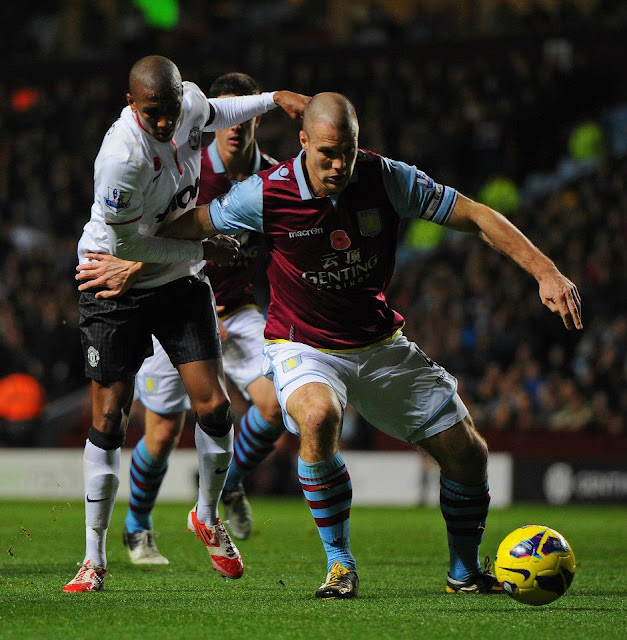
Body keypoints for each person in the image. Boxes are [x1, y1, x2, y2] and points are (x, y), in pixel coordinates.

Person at [92, 92, 584, 599]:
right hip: (302, 346)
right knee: (318, 415)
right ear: (303, 142)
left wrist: (545, 272)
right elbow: (195, 223)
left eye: (347, 150)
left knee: (468, 455)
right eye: (327, 151)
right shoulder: (266, 192)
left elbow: (477, 214)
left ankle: (463, 573)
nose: (338, 163)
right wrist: (134, 260)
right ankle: (339, 564)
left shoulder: (387, 177)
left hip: (378, 344)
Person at [64, 55, 307, 593]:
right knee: (111, 420)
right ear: (132, 105)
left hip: (178, 279)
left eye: (171, 110)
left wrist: (274, 99)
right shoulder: (120, 159)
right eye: (153, 113)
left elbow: (219, 109)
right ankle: (94, 558)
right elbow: (127, 246)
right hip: (113, 280)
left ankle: (206, 515)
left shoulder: (189, 105)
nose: (165, 122)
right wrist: (203, 247)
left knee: (216, 408)